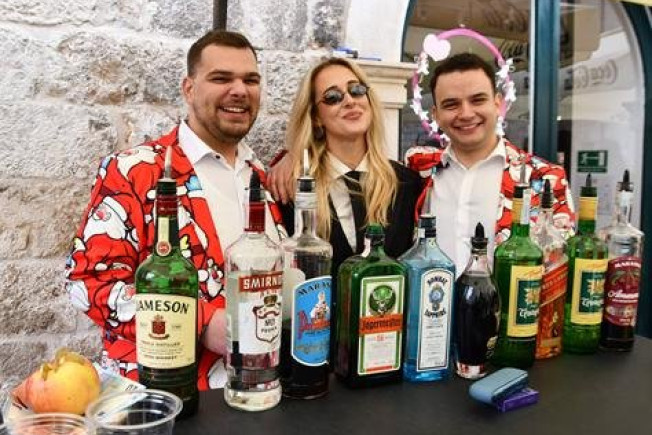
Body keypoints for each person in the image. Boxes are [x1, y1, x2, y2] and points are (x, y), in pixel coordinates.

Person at [65, 30, 286, 390]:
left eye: (251, 80)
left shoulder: (262, 179)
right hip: (165, 397)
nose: (239, 90)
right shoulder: (135, 170)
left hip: (258, 390)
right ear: (189, 89)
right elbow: (88, 283)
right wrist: (201, 322)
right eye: (221, 78)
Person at [405, 52, 575, 274]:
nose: (466, 113)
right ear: (436, 115)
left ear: (497, 103)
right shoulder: (419, 168)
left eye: (477, 100)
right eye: (451, 104)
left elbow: (560, 266)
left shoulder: (545, 179)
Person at [268, 57, 422, 276]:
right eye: (332, 97)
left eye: (356, 90)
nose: (349, 101)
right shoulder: (292, 188)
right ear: (316, 117)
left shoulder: (407, 183)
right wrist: (293, 154)